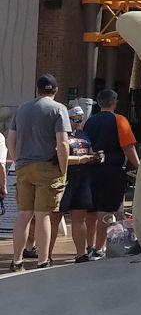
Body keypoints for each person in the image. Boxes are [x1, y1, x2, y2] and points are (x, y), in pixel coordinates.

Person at [7, 75, 70, 271]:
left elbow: (11, 139)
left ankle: (16, 261)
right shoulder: (59, 109)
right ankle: (43, 261)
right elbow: (63, 143)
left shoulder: (22, 109)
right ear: (56, 90)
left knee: (24, 215)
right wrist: (63, 169)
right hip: (48, 167)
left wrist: (18, 160)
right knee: (43, 215)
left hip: (24, 167)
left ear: (37, 90)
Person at [83, 89, 140, 256]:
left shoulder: (88, 122)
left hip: (90, 170)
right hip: (111, 171)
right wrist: (138, 166)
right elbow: (128, 146)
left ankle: (89, 246)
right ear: (114, 102)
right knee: (106, 211)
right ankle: (100, 249)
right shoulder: (120, 120)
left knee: (91, 212)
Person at [52, 107, 103, 263]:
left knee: (79, 217)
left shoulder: (83, 134)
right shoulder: (61, 134)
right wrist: (82, 159)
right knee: (55, 217)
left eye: (81, 120)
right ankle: (46, 255)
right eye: (75, 120)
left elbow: (90, 150)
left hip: (82, 179)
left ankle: (81, 254)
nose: (78, 123)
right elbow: (58, 157)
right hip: (64, 177)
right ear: (67, 118)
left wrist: (95, 157)